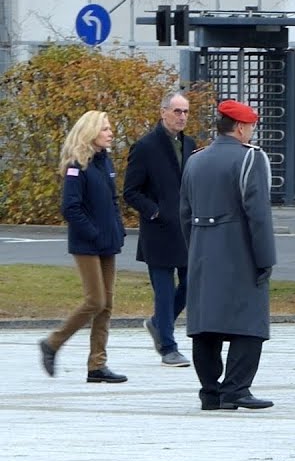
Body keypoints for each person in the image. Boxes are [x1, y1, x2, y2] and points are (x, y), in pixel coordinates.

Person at [179, 100, 276, 410]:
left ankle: (210, 390)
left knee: (205, 324)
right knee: (249, 321)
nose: (250, 133)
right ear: (239, 128)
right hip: (239, 251)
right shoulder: (251, 159)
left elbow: (184, 212)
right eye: (249, 128)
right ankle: (236, 388)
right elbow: (258, 214)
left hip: (202, 251)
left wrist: (195, 247)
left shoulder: (195, 160)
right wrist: (265, 259)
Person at [38, 111, 127, 383]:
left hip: (107, 242)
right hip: (87, 244)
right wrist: (93, 233)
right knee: (95, 300)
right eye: (105, 129)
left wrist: (118, 229)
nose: (110, 133)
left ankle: (97, 365)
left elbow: (112, 200)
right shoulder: (77, 165)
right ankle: (53, 343)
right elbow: (71, 208)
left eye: (110, 128)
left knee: (107, 304)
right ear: (90, 132)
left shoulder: (104, 161)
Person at [123, 92, 196, 368]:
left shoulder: (189, 144)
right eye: (177, 111)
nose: (182, 117)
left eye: (186, 112)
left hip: (187, 230)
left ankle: (158, 323)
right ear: (163, 112)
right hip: (159, 231)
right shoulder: (145, 146)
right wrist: (154, 211)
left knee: (191, 284)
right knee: (164, 291)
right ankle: (168, 346)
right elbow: (131, 191)